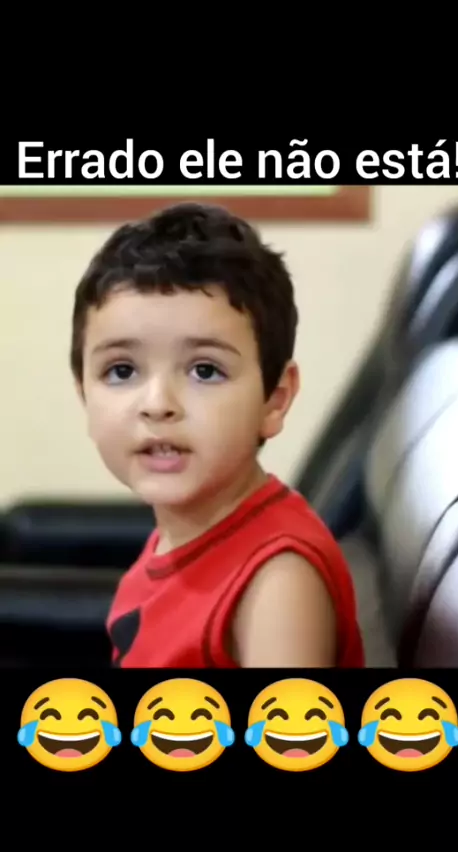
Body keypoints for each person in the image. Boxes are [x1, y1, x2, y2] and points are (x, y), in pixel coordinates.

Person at [70, 202, 364, 668]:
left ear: (275, 400)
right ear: (84, 394)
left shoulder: (278, 580)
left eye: (205, 370)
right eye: (122, 370)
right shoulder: (175, 535)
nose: (157, 403)